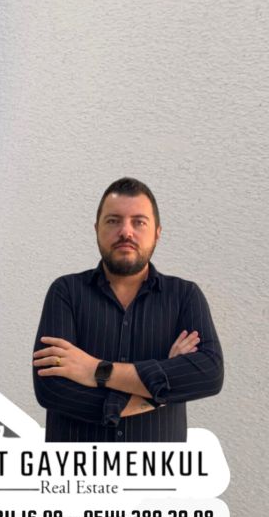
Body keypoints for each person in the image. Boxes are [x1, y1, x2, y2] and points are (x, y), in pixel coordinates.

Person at [31, 177, 223, 442]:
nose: (126, 232)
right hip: (77, 467)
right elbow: (51, 389)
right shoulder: (66, 291)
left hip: (157, 467)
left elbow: (209, 374)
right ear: (97, 228)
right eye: (113, 221)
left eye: (139, 222)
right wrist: (157, 394)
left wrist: (96, 370)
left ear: (157, 232)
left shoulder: (184, 296)